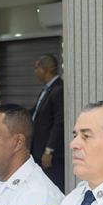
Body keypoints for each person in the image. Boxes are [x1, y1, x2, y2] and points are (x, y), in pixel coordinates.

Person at [29, 54, 66, 192]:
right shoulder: (47, 89)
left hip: (50, 154)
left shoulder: (58, 89)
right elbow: (36, 113)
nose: (35, 72)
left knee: (52, 187)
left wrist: (49, 150)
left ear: (46, 69)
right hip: (39, 149)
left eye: (36, 68)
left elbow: (59, 122)